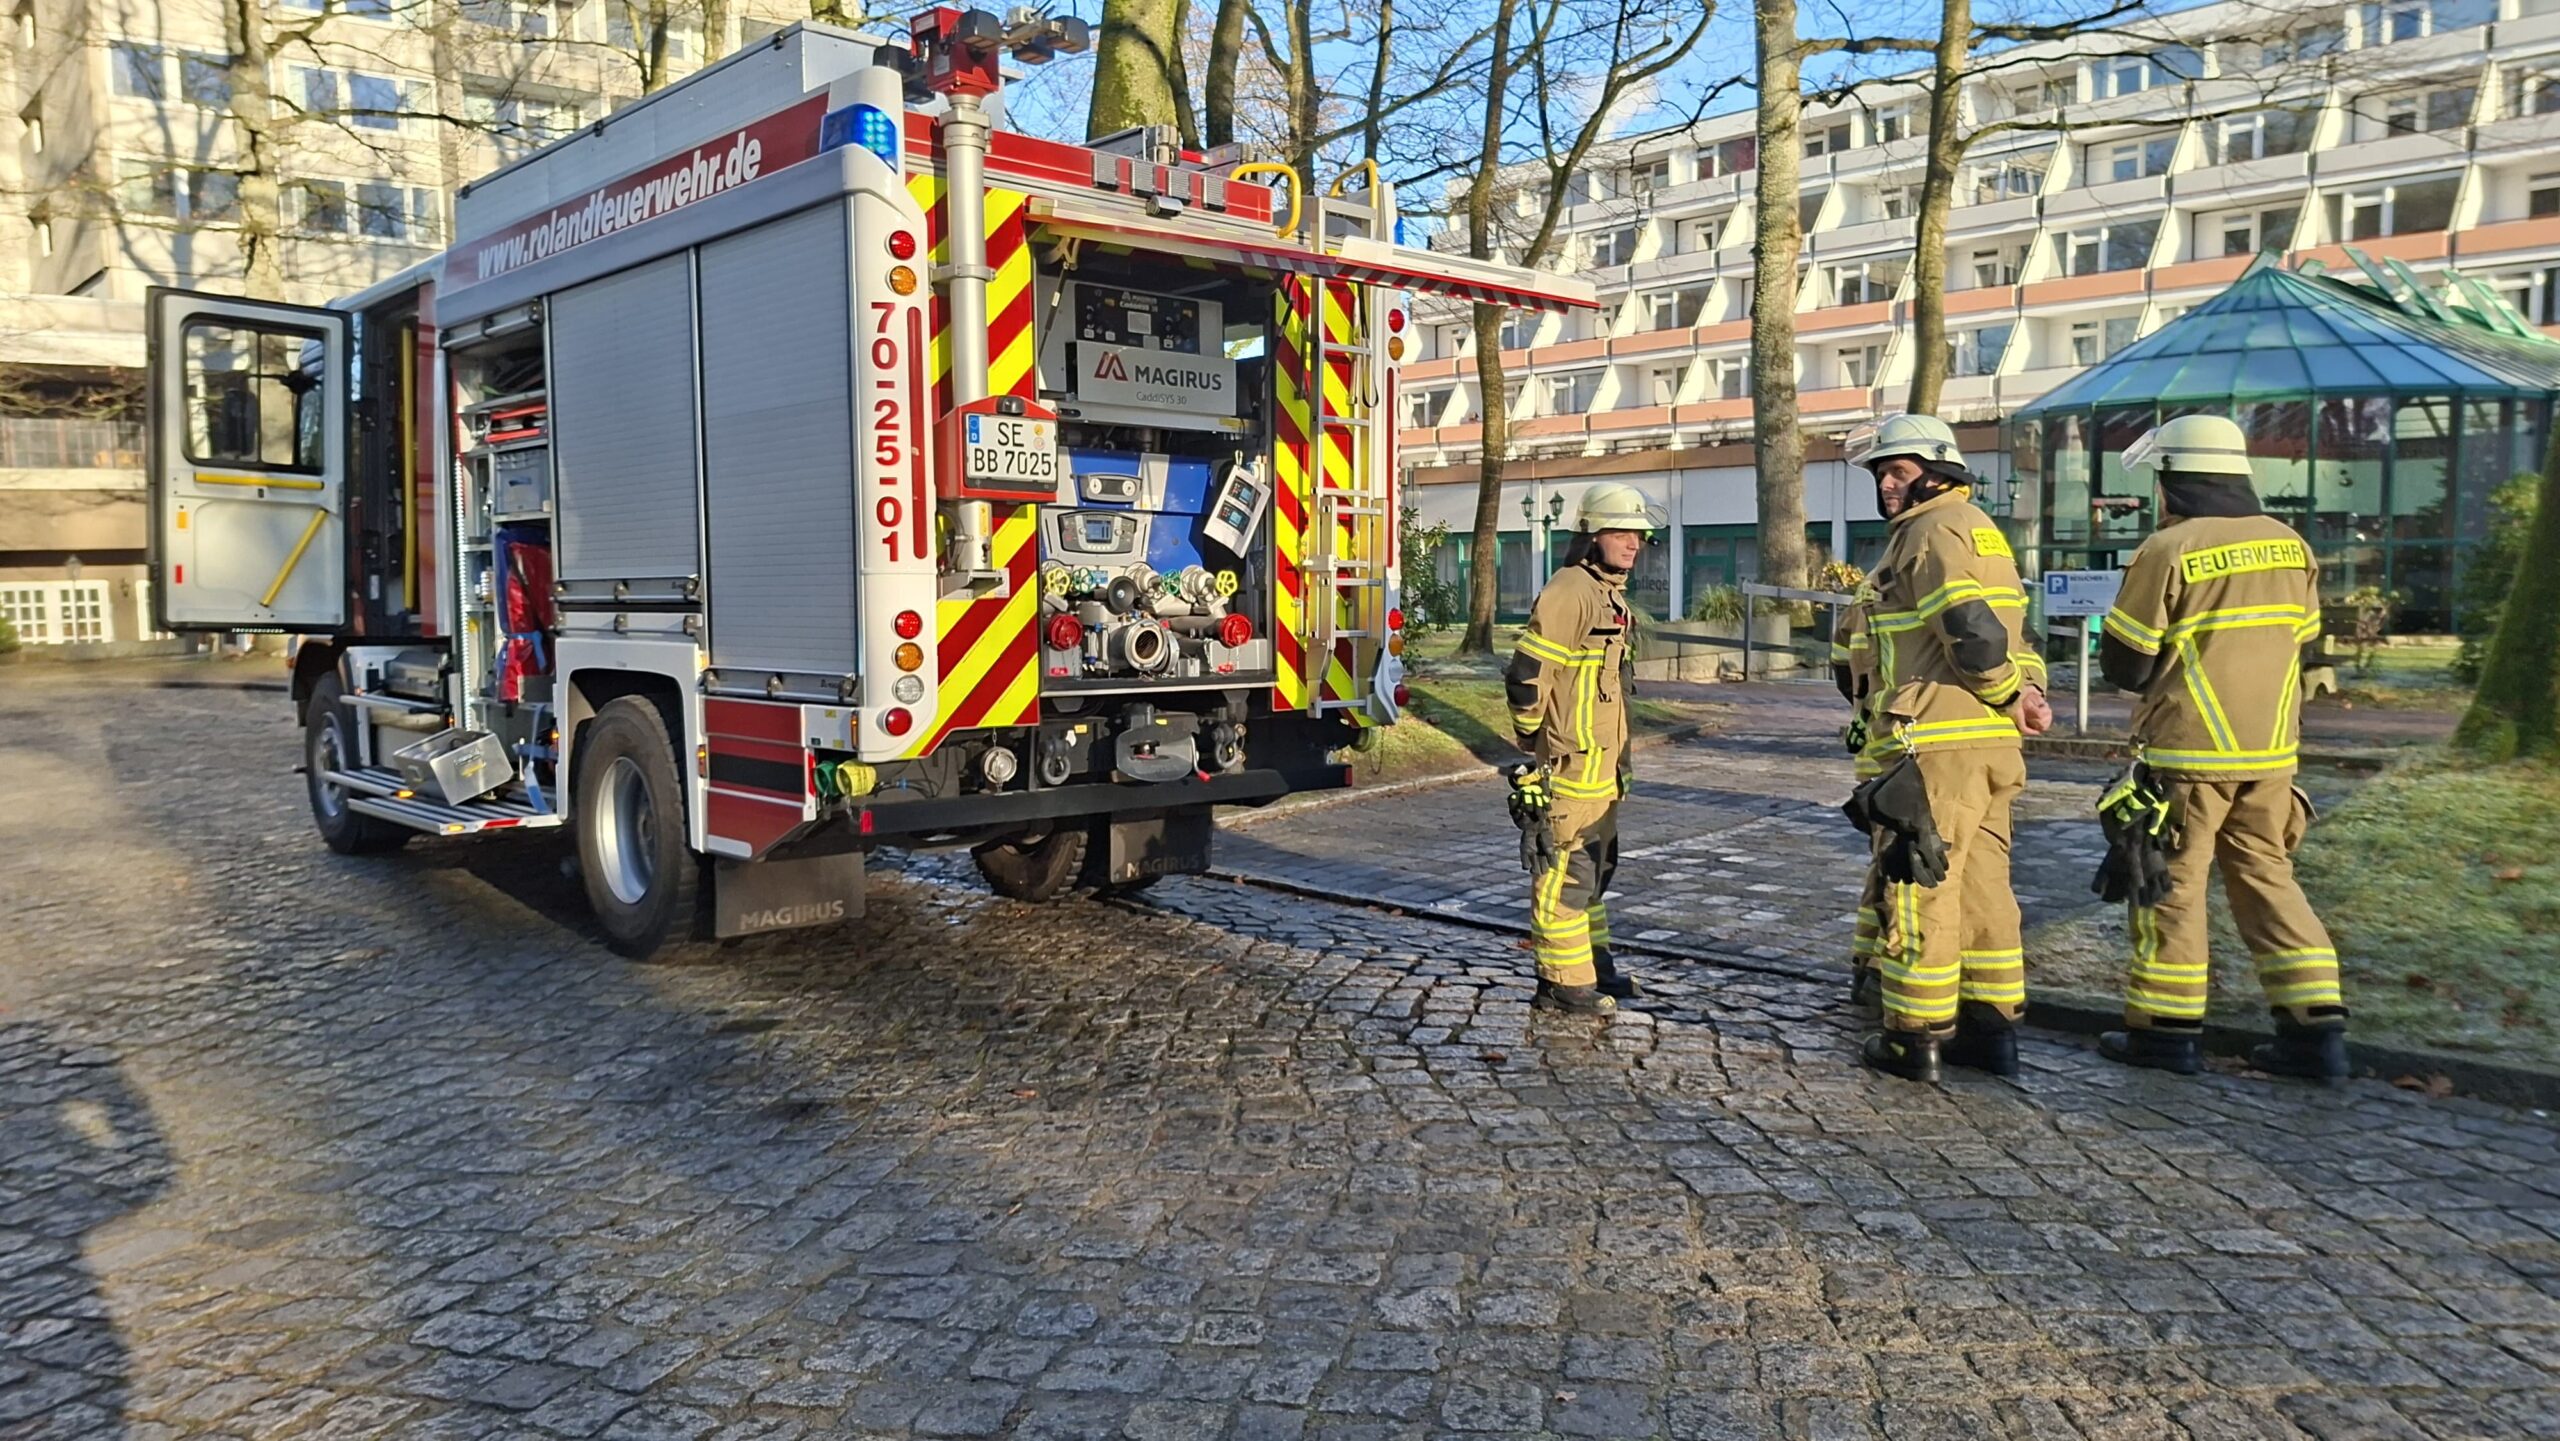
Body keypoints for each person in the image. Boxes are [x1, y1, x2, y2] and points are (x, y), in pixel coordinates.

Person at [2094, 414, 2348, 1083]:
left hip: (2187, 755)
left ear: (2178, 478)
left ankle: (2164, 1033)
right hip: (2271, 755)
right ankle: (2316, 1031)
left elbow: (2127, 663)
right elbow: (2308, 643)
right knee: (2268, 879)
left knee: (2170, 886)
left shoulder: (2169, 548)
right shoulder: (2292, 546)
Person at [1845, 415, 2052, 1081]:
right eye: (1881, 473)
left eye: (1897, 472)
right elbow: (2012, 628)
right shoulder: (1982, 530)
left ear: (1937, 472)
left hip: (1934, 744)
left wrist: (2002, 689)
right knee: (1985, 889)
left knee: (1921, 888)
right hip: (1988, 746)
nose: (1885, 485)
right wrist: (2026, 694)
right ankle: (1990, 1030)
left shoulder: (1930, 531)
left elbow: (1969, 626)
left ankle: (1915, 1036)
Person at [1506, 482, 1664, 1015]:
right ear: (1592, 535)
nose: (1633, 542)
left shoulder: (1607, 593)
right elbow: (1528, 673)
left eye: (1638, 533)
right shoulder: (1571, 590)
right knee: (1565, 875)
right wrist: (1533, 743)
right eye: (1620, 531)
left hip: (1604, 769)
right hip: (1570, 766)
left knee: (1595, 872)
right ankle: (1561, 982)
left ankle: (1592, 966)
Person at [1831, 593, 1885, 1010]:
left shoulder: (1866, 592)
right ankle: (1878, 972)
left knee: (1887, 861)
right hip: (1913, 753)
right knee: (1904, 865)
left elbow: (1841, 666)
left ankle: (1868, 966)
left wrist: (1864, 706)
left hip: (1877, 749)